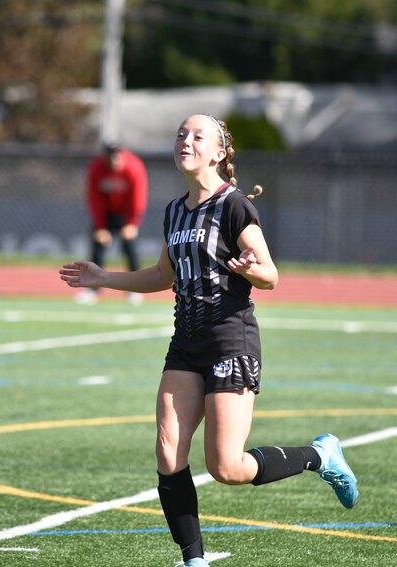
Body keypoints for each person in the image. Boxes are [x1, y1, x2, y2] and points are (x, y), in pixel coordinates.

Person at [60, 114, 358, 567]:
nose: (186, 140)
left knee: (227, 467)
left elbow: (271, 275)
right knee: (167, 452)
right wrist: (104, 277)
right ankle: (193, 560)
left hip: (230, 341)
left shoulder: (234, 206)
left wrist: (248, 269)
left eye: (198, 136)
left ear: (219, 153)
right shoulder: (174, 210)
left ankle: (320, 455)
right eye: (181, 133)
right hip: (185, 343)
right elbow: (163, 275)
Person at [76, 141, 148, 305]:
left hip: (126, 213)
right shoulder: (96, 168)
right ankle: (93, 289)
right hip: (106, 213)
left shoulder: (134, 166)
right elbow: (94, 199)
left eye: (117, 155)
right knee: (97, 246)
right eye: (110, 156)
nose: (114, 160)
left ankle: (134, 289)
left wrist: (132, 223)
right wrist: (100, 227)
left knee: (130, 247)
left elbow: (138, 198)